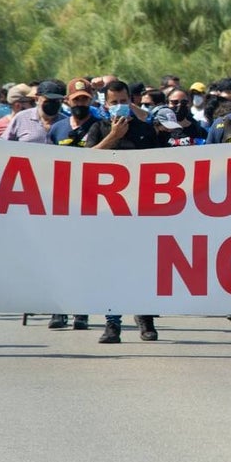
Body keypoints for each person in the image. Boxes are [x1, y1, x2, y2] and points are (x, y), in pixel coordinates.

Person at [85, 79, 162, 343]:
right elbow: (86, 160)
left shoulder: (145, 130)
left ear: (132, 101)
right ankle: (112, 324)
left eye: (123, 101)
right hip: (108, 212)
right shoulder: (98, 128)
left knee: (144, 266)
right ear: (105, 105)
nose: (119, 106)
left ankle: (146, 318)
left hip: (141, 211)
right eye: (114, 102)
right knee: (111, 268)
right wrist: (113, 137)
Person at [44, 77, 101, 331]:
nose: (80, 104)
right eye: (76, 100)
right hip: (61, 202)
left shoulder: (99, 126)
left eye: (85, 100)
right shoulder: (57, 129)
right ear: (67, 101)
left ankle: (81, 311)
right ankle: (58, 309)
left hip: (91, 202)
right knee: (59, 258)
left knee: (85, 259)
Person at [6, 79, 67, 144]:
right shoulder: (21, 118)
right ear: (37, 99)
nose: (53, 104)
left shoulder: (66, 123)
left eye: (56, 100)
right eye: (48, 100)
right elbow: (4, 143)